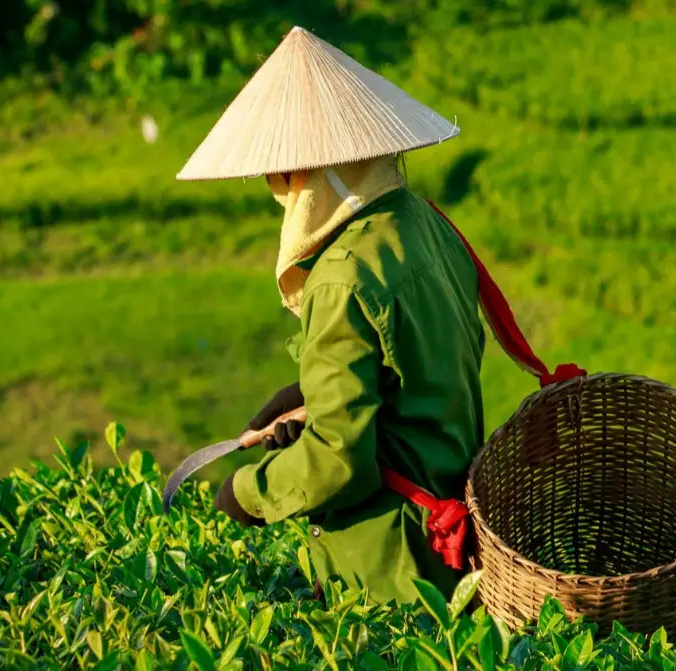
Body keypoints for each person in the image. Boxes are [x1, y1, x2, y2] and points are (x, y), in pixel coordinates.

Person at [174, 26, 485, 607]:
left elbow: (343, 464)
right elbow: (417, 373)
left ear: (310, 173)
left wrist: (247, 493)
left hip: (389, 570)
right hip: (456, 543)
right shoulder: (427, 225)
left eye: (279, 175)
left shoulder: (341, 276)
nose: (274, 191)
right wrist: (313, 393)